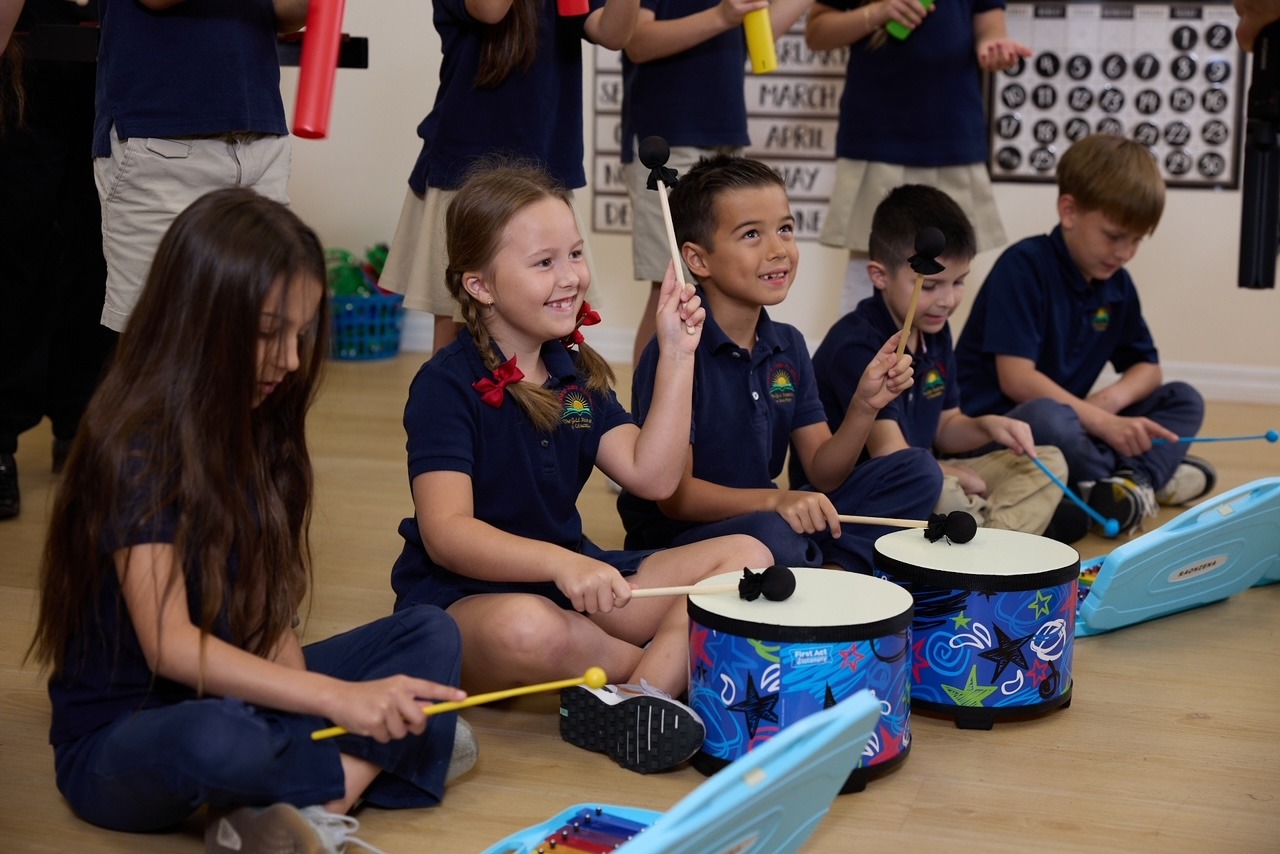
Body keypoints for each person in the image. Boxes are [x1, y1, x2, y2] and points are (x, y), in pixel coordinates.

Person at [26, 189, 472, 852]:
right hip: (129, 736)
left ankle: (292, 808)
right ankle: (362, 765)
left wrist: (313, 697)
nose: (291, 361)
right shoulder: (135, 447)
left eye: (300, 334)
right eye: (268, 334)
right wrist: (338, 703)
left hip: (238, 694)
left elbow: (267, 623)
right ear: (197, 318)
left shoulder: (258, 425)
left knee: (432, 635)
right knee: (224, 736)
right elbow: (169, 647)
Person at [389, 162, 773, 774]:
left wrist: (676, 353)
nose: (571, 276)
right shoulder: (445, 385)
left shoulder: (575, 375)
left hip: (577, 587)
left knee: (746, 554)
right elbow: (448, 532)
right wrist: (563, 564)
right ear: (480, 286)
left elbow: (652, 477)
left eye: (574, 253)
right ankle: (664, 670)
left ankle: (636, 696)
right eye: (544, 263)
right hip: (470, 600)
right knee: (528, 629)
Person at [619, 154, 942, 575]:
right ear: (698, 260)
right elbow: (676, 499)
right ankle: (828, 570)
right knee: (777, 539)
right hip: (685, 538)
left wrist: (864, 406)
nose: (778, 250)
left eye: (785, 230)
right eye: (751, 234)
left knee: (918, 471)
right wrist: (776, 500)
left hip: (767, 518)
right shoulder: (675, 351)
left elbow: (824, 472)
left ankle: (829, 571)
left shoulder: (787, 344)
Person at [955, 134, 1212, 538]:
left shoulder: (1118, 284)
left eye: (1136, 241)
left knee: (1184, 399)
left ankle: (1123, 485)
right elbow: (1017, 379)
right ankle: (1145, 479)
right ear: (1070, 211)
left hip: (1077, 425)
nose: (1125, 252)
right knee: (1049, 417)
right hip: (1006, 435)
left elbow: (1148, 368)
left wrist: (1105, 406)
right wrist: (1101, 423)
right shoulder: (1023, 266)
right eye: (1114, 236)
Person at [810, 184, 1087, 544]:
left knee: (1048, 462)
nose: (947, 300)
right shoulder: (858, 344)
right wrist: (949, 473)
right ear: (880, 276)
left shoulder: (935, 332)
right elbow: (891, 454)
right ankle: (1003, 536)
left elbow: (946, 425)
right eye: (929, 286)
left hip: (931, 469)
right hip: (881, 487)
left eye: (958, 282)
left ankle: (985, 538)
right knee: (944, 491)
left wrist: (988, 426)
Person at [381, 0, 640, 355]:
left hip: (544, 173)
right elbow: (490, 10)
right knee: (460, 328)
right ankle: (449, 409)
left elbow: (614, 33)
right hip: (466, 172)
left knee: (553, 322)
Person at [93, 0, 306, 333]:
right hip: (162, 142)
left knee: (261, 331)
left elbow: (287, 13)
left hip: (259, 139)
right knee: (161, 343)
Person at [622, 0, 815, 366]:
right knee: (672, 287)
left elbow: (751, 38)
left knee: (717, 288)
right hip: (668, 140)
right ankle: (649, 411)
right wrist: (721, 16)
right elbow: (637, 40)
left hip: (724, 138)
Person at [805, 0, 1030, 314]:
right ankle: (858, 360)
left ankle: (929, 362)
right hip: (877, 137)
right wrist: (878, 13)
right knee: (869, 273)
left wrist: (994, 48)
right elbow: (817, 32)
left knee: (946, 274)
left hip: (952, 138)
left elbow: (991, 28)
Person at [1, 0, 115, 521]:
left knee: (99, 252)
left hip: (113, 60)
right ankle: (2, 440)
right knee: (18, 252)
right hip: (25, 55)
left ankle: (80, 420)